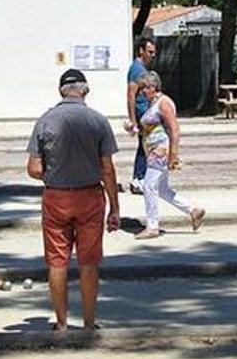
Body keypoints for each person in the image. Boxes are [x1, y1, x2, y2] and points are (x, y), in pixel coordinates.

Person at [26, 69, 121, 331]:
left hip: (56, 197)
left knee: (57, 262)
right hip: (90, 197)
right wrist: (115, 208)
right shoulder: (98, 121)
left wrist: (55, 173)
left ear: (60, 91)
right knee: (89, 263)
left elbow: (33, 169)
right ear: (85, 90)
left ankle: (61, 323)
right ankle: (89, 324)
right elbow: (107, 169)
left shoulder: (45, 121)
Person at [134, 71, 205, 239]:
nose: (142, 92)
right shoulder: (154, 103)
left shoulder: (163, 103)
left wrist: (174, 154)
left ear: (152, 87)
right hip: (154, 149)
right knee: (162, 188)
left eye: (144, 88)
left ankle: (152, 227)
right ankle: (193, 210)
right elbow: (151, 127)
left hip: (160, 150)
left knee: (149, 186)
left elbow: (174, 128)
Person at [125, 37, 157, 194]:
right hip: (142, 113)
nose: (153, 55)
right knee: (146, 145)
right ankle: (139, 178)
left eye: (154, 52)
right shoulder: (137, 69)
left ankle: (141, 177)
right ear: (141, 51)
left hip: (145, 111)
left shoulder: (141, 69)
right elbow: (131, 94)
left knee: (145, 145)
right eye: (150, 52)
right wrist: (133, 120)